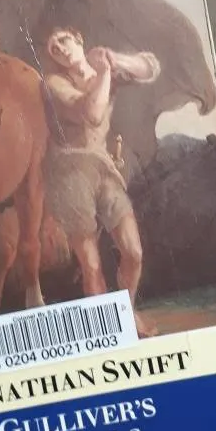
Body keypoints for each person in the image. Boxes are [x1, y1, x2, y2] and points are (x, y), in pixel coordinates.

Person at [41, 26, 160, 336]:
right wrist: (106, 71)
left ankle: (127, 311)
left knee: (133, 252)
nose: (60, 49)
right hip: (68, 175)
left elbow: (150, 67)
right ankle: (110, 332)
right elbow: (92, 114)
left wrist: (112, 58)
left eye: (64, 40)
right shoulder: (54, 83)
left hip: (103, 169)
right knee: (91, 266)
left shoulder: (103, 70)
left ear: (79, 39)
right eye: (54, 49)